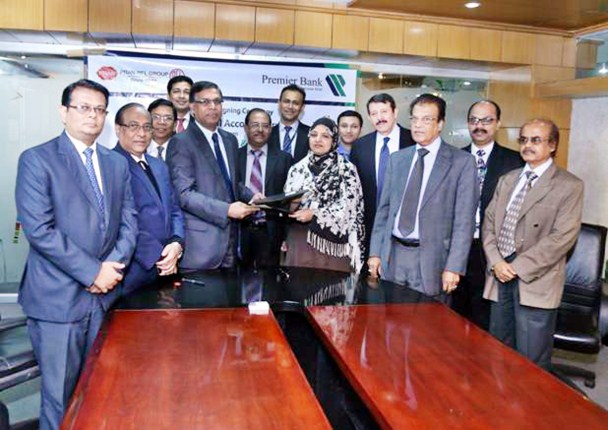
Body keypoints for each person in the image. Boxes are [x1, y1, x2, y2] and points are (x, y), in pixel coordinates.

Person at [15, 79, 137, 430]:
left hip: (105, 299)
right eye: (83, 107)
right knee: (60, 399)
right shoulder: (37, 160)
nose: (92, 116)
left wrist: (111, 269)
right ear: (63, 112)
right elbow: (40, 230)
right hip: (59, 303)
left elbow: (129, 221)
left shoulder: (116, 164)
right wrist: (93, 272)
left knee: (99, 394)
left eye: (99, 109)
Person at [482, 118, 583, 370]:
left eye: (536, 140)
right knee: (497, 351)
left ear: (553, 145)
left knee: (531, 362)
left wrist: (516, 267)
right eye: (524, 140)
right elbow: (489, 223)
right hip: (499, 275)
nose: (527, 145)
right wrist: (497, 262)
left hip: (535, 279)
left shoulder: (569, 186)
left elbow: (562, 237)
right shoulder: (508, 179)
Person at [368, 93, 478, 303]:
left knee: (428, 320)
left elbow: (464, 222)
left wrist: (454, 267)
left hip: (432, 259)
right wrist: (375, 253)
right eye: (414, 119)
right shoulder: (398, 159)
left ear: (440, 124)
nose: (418, 125)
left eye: (426, 119)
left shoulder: (461, 163)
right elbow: (384, 211)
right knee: (390, 317)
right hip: (394, 255)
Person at [166, 80, 259, 270]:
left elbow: (231, 183)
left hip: (232, 242)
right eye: (205, 102)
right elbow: (184, 195)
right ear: (192, 107)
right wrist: (227, 210)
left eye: (217, 101)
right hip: (201, 247)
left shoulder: (230, 139)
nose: (213, 107)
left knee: (231, 290)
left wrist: (252, 197)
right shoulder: (181, 142)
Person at [452, 100, 523, 330]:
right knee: (454, 315)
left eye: (486, 120)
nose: (479, 126)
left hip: (494, 251)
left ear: (498, 123)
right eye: (474, 120)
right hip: (457, 248)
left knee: (486, 319)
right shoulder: (453, 158)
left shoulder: (515, 162)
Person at [113, 103, 185, 294]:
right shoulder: (110, 165)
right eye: (134, 126)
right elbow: (118, 221)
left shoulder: (159, 165)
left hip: (166, 268)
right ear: (118, 129)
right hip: (131, 271)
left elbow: (174, 209)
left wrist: (176, 243)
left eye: (147, 127)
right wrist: (160, 257)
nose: (142, 133)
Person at [283, 117, 365, 273]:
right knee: (297, 285)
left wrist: (315, 214)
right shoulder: (297, 169)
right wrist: (292, 204)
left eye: (325, 136)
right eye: (314, 135)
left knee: (329, 286)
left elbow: (350, 209)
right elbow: (287, 206)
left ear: (334, 140)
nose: (318, 140)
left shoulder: (346, 169)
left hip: (332, 246)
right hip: (299, 242)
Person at [350, 93, 415, 261]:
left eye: (384, 111)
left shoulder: (413, 141)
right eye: (374, 113)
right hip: (370, 227)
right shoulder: (360, 146)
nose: (380, 118)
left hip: (406, 228)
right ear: (369, 117)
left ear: (395, 112)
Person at [237, 108, 292, 268]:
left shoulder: (284, 159)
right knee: (236, 278)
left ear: (271, 129)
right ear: (246, 128)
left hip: (271, 231)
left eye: (265, 126)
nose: (260, 130)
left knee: (270, 279)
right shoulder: (234, 156)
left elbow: (287, 199)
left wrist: (286, 236)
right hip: (240, 229)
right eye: (255, 125)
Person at [268, 84, 310, 163]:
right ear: (279, 103)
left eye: (296, 103)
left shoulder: (311, 134)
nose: (290, 106)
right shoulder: (267, 134)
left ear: (302, 107)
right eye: (286, 101)